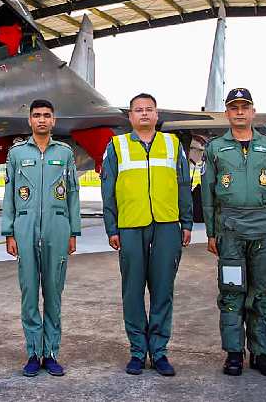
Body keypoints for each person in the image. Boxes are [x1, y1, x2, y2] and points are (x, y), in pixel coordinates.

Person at [100, 93, 192, 376]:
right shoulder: (117, 146)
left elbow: (183, 185)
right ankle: (138, 352)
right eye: (137, 110)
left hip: (166, 224)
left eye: (148, 110)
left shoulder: (173, 144)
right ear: (130, 117)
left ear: (156, 115)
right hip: (130, 224)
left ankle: (160, 352)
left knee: (163, 290)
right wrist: (111, 227)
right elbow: (108, 189)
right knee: (132, 292)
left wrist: (186, 222)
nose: (143, 114)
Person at [201, 87, 266, 377]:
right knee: (232, 293)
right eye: (234, 107)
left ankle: (261, 355)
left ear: (252, 111)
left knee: (261, 294)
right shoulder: (215, 148)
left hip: (263, 228)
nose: (239, 111)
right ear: (227, 113)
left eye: (244, 107)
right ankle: (234, 354)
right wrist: (211, 233)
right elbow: (209, 195)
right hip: (231, 231)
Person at [1, 99, 80, 377]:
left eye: (47, 115)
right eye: (37, 116)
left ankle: (51, 353)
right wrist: (8, 231)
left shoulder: (65, 153)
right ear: (30, 121)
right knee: (29, 294)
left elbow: (72, 193)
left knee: (54, 293)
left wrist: (74, 231)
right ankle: (34, 352)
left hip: (58, 228)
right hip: (24, 228)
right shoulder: (16, 154)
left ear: (54, 120)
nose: (42, 120)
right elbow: (9, 195)